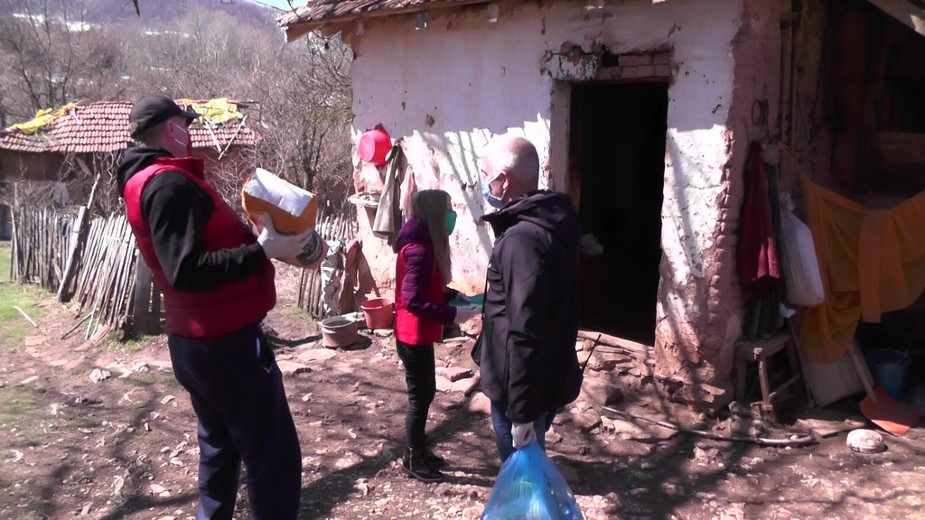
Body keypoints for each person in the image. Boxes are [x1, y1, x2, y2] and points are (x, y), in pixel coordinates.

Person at [117, 95, 312, 520]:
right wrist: (261, 250)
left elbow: (191, 254)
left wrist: (255, 241)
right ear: (172, 129)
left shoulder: (142, 180)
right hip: (224, 344)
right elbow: (187, 270)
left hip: (195, 340)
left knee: (219, 449)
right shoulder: (168, 185)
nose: (190, 135)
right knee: (272, 456)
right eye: (185, 126)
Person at [477, 134, 583, 463]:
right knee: (528, 469)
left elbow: (525, 329)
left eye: (485, 175)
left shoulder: (521, 240)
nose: (484, 183)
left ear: (503, 180)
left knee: (523, 476)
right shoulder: (551, 223)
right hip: (543, 377)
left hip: (519, 389)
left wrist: (521, 414)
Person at [393, 189, 479, 482]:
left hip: (419, 334)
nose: (452, 214)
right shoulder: (419, 249)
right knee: (420, 398)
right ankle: (413, 458)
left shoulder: (424, 243)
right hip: (412, 334)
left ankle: (419, 448)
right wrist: (452, 315)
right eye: (448, 209)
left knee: (426, 392)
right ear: (434, 213)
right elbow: (413, 299)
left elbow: (428, 287)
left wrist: (453, 296)